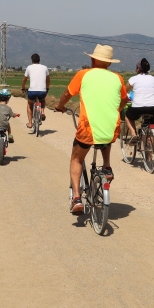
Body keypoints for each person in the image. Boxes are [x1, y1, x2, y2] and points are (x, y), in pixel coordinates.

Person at [54, 44, 128, 214]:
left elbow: (67, 94)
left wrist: (60, 106)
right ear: (109, 63)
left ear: (93, 59)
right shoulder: (118, 78)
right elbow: (123, 100)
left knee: (77, 159)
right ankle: (107, 167)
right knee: (105, 136)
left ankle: (77, 199)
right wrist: (115, 111)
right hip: (111, 128)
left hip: (88, 129)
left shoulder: (83, 74)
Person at [125, 58, 154, 141]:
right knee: (151, 125)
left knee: (128, 116)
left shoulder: (133, 79)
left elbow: (124, 91)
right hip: (153, 108)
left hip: (137, 107)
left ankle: (133, 134)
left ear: (138, 69)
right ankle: (149, 151)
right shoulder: (153, 79)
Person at [21, 53, 50, 131]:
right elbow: (48, 80)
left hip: (32, 91)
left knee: (30, 104)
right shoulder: (45, 68)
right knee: (42, 100)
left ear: (31, 60)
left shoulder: (29, 67)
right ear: (39, 60)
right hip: (42, 91)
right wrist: (47, 88)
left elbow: (24, 80)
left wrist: (23, 87)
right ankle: (42, 112)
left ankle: (30, 123)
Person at [0, 88, 20, 154]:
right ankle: (10, 135)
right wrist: (16, 115)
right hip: (4, 125)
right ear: (8, 99)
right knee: (8, 124)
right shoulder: (8, 108)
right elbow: (12, 115)